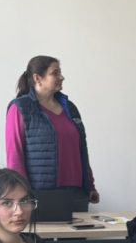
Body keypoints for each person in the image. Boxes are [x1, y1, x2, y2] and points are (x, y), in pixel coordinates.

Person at [5, 55, 98, 211]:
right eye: (55, 73)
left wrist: (90, 186)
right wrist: (21, 197)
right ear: (38, 78)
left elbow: (82, 150)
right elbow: (15, 156)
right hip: (42, 195)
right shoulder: (20, 108)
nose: (61, 77)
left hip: (77, 194)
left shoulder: (70, 108)